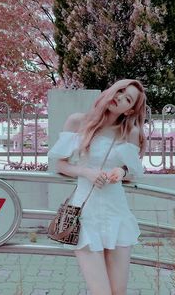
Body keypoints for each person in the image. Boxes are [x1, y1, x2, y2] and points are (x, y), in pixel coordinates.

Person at [48, 79, 146, 295]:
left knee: (118, 292)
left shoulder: (129, 132)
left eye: (127, 99)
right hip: (86, 216)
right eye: (119, 91)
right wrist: (86, 172)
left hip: (117, 214)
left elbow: (135, 171)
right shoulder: (78, 122)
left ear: (129, 110)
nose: (119, 97)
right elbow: (60, 164)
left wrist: (122, 171)